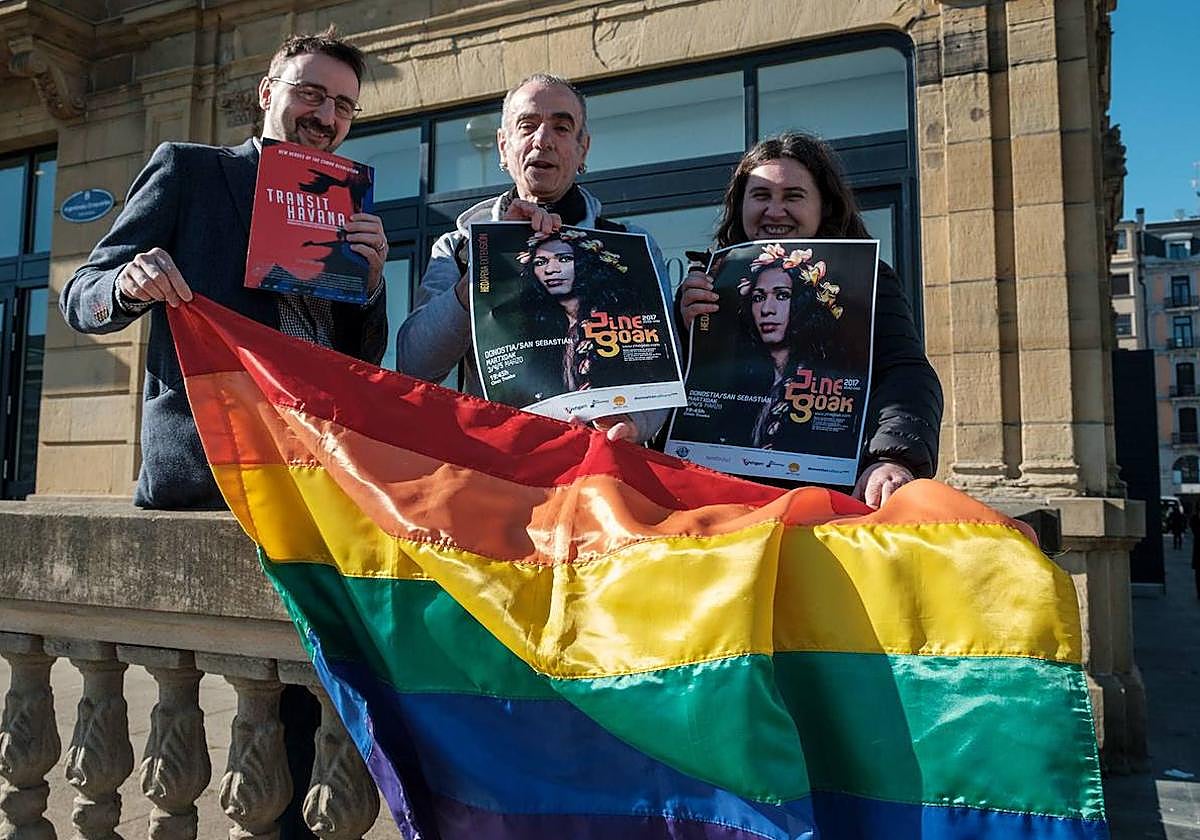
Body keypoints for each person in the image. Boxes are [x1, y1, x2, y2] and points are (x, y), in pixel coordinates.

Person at [60, 28, 389, 512]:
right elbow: (80, 295)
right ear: (266, 92)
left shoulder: (348, 206)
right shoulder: (189, 171)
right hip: (215, 468)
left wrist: (373, 283)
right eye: (310, 94)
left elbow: (363, 359)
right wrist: (127, 284)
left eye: (342, 105)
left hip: (324, 471)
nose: (324, 116)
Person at [396, 73, 670, 444]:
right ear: (503, 145)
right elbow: (415, 364)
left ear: (583, 148)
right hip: (499, 472)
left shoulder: (632, 247)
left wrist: (636, 425)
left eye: (561, 127)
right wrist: (487, 267)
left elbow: (662, 369)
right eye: (528, 126)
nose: (543, 140)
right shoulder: (458, 247)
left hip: (602, 468)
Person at [678, 132, 943, 508]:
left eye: (793, 196)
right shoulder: (705, 283)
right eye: (761, 196)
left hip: (824, 502)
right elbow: (668, 400)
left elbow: (906, 374)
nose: (775, 210)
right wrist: (685, 333)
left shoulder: (866, 284)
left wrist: (892, 458)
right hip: (719, 502)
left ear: (825, 207)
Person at [734, 244, 859, 450]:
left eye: (782, 296)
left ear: (804, 302)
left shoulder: (830, 380)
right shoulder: (744, 380)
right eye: (758, 297)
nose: (767, 310)